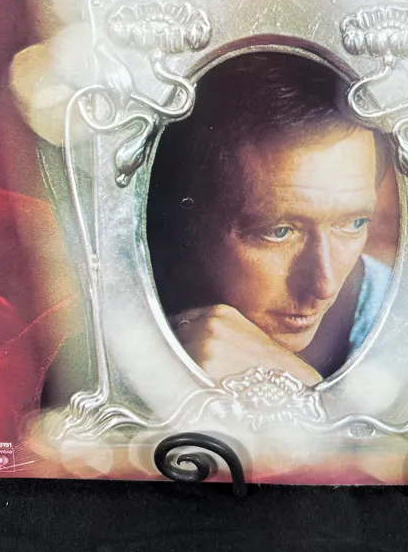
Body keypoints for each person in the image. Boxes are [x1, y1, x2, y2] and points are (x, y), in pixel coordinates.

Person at [147, 51, 392, 386]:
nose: (324, 286)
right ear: (187, 225)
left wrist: (301, 389)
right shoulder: (116, 320)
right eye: (279, 231)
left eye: (352, 223)